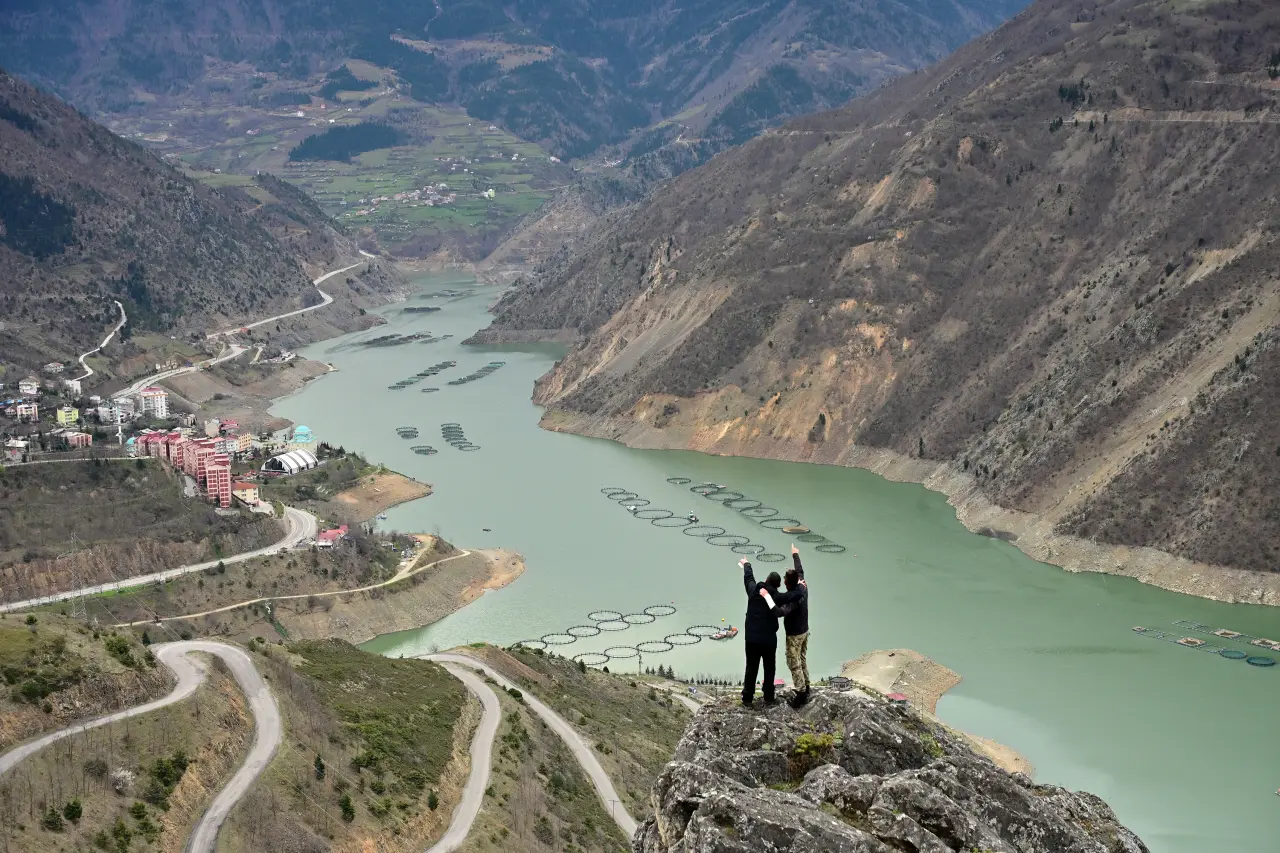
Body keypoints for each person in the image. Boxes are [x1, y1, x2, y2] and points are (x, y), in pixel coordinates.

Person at [739, 556, 783, 706]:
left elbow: (749, 578)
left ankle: (747, 698)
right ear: (777, 586)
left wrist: (746, 564)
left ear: (766, 580)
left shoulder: (753, 591)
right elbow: (791, 597)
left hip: (751, 639)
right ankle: (769, 697)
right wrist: (801, 587)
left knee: (751, 667)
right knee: (769, 667)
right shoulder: (776, 597)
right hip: (769, 640)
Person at [781, 544, 811, 707]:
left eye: (785, 580)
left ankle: (801, 694)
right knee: (802, 658)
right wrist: (795, 554)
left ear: (787, 584)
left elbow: (780, 611)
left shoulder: (792, 597)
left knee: (793, 662)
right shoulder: (803, 585)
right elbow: (800, 571)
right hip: (805, 630)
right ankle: (806, 685)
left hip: (794, 635)